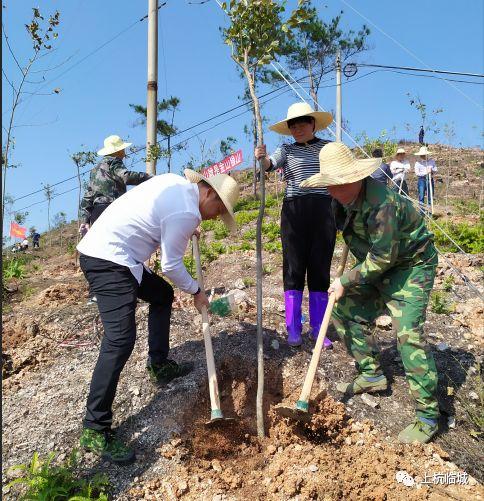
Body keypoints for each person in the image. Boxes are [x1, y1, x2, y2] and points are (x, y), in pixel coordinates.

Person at [77, 170, 239, 464]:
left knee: (162, 295)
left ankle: (160, 364)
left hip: (121, 255)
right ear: (209, 193)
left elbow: (162, 217)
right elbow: (171, 264)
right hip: (108, 259)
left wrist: (186, 228)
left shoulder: (176, 184)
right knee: (120, 340)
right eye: (219, 209)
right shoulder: (186, 212)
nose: (216, 217)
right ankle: (95, 427)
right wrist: (196, 291)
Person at [301, 142, 440, 444]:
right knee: (343, 308)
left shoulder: (382, 204)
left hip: (410, 264)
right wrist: (345, 281)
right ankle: (372, 374)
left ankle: (428, 416)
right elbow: (354, 239)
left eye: (336, 185)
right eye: (328, 185)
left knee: (408, 334)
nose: (331, 192)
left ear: (354, 178)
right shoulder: (342, 198)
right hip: (376, 262)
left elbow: (383, 258)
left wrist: (346, 280)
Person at [255, 102, 336, 349]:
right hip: (294, 212)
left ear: (313, 123)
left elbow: (338, 174)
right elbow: (271, 165)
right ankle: (293, 328)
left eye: (302, 123)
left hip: (324, 210)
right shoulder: (286, 150)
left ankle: (318, 329)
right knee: (293, 267)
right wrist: (262, 159)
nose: (298, 128)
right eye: (293, 125)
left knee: (320, 269)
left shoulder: (328, 148)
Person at [79, 135, 152, 234]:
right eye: (123, 149)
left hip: (97, 213)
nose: (124, 152)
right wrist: (149, 177)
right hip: (112, 208)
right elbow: (126, 176)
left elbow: (88, 196)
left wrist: (85, 221)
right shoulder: (114, 161)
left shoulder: (95, 170)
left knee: (103, 245)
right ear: (118, 151)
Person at [414, 146, 437, 210]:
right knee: (421, 196)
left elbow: (435, 169)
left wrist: (431, 170)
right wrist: (425, 173)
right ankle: (422, 212)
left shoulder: (432, 161)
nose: (423, 156)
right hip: (422, 180)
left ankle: (430, 211)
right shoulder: (417, 163)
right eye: (422, 155)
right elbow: (417, 173)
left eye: (424, 154)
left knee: (430, 196)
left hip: (430, 179)